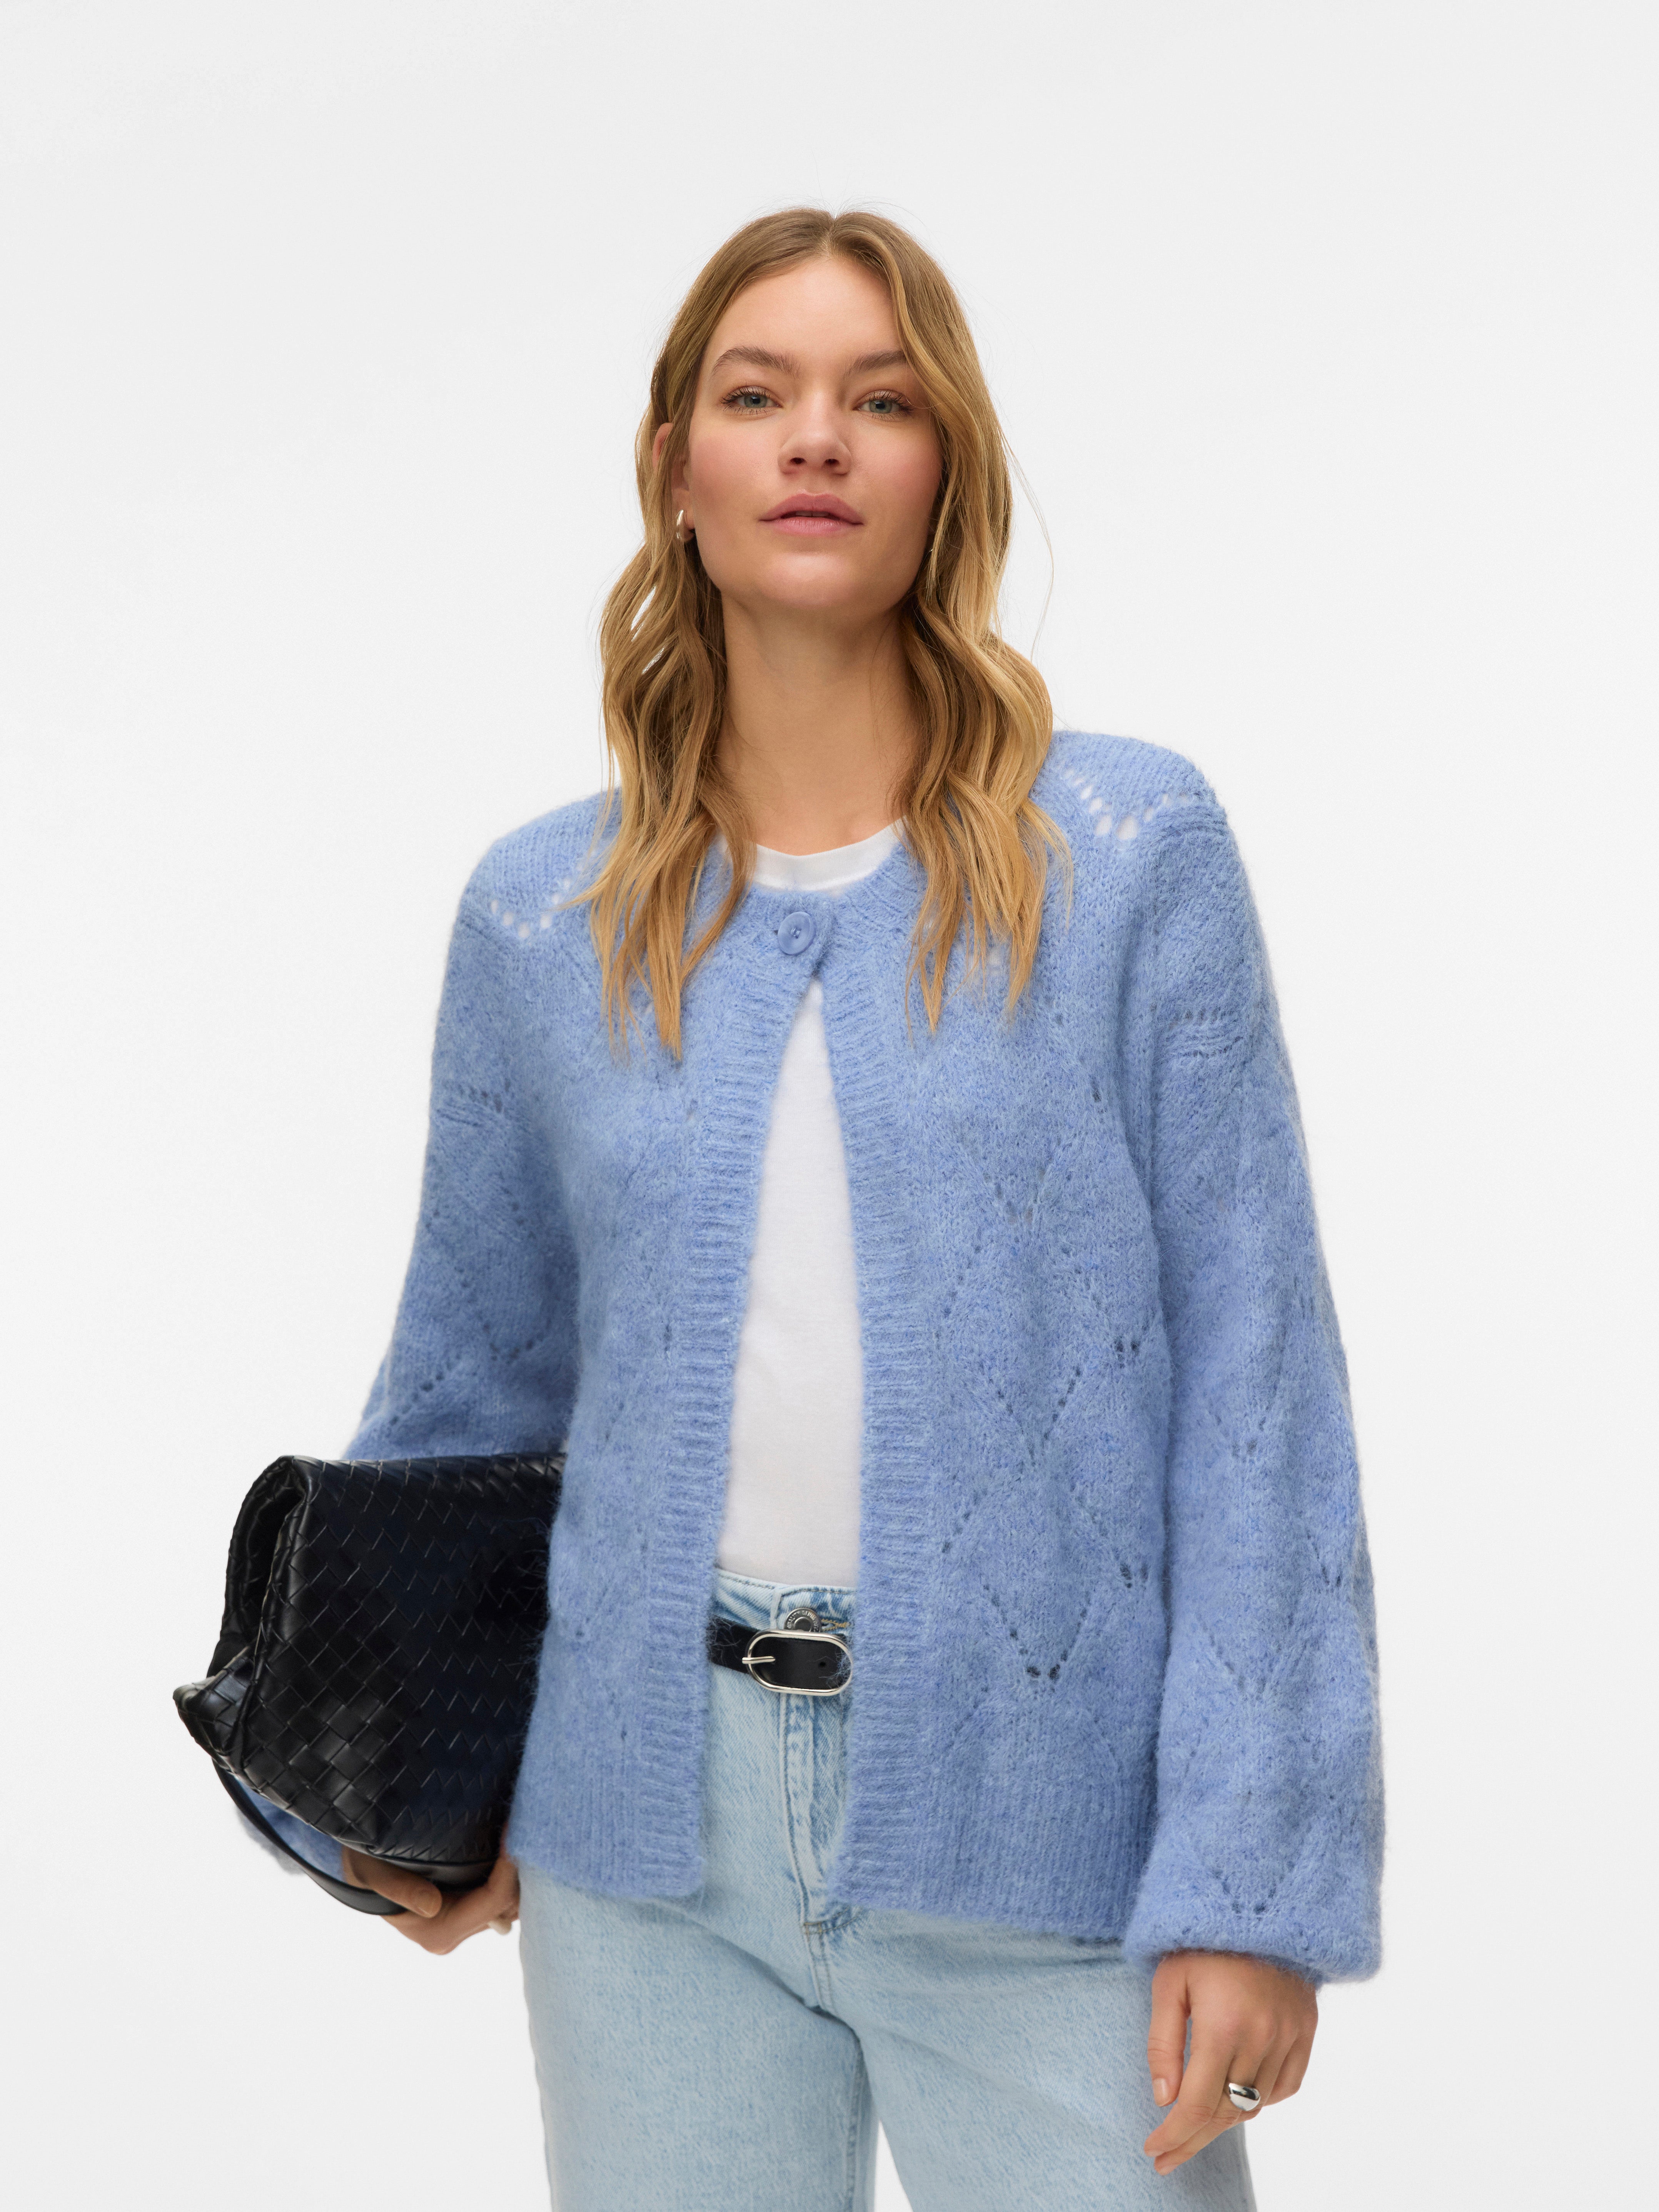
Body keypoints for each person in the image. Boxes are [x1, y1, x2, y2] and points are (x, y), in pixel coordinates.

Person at [235, 207, 1384, 2209]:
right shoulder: (544, 918)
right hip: (641, 1852)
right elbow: (466, 1388)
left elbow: (1257, 1391)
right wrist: (390, 1784)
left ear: (948, 473)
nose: (817, 439)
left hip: (1047, 1834)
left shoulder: (1128, 857)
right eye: (756, 395)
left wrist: (1251, 1877)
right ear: (675, 470)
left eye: (881, 399)